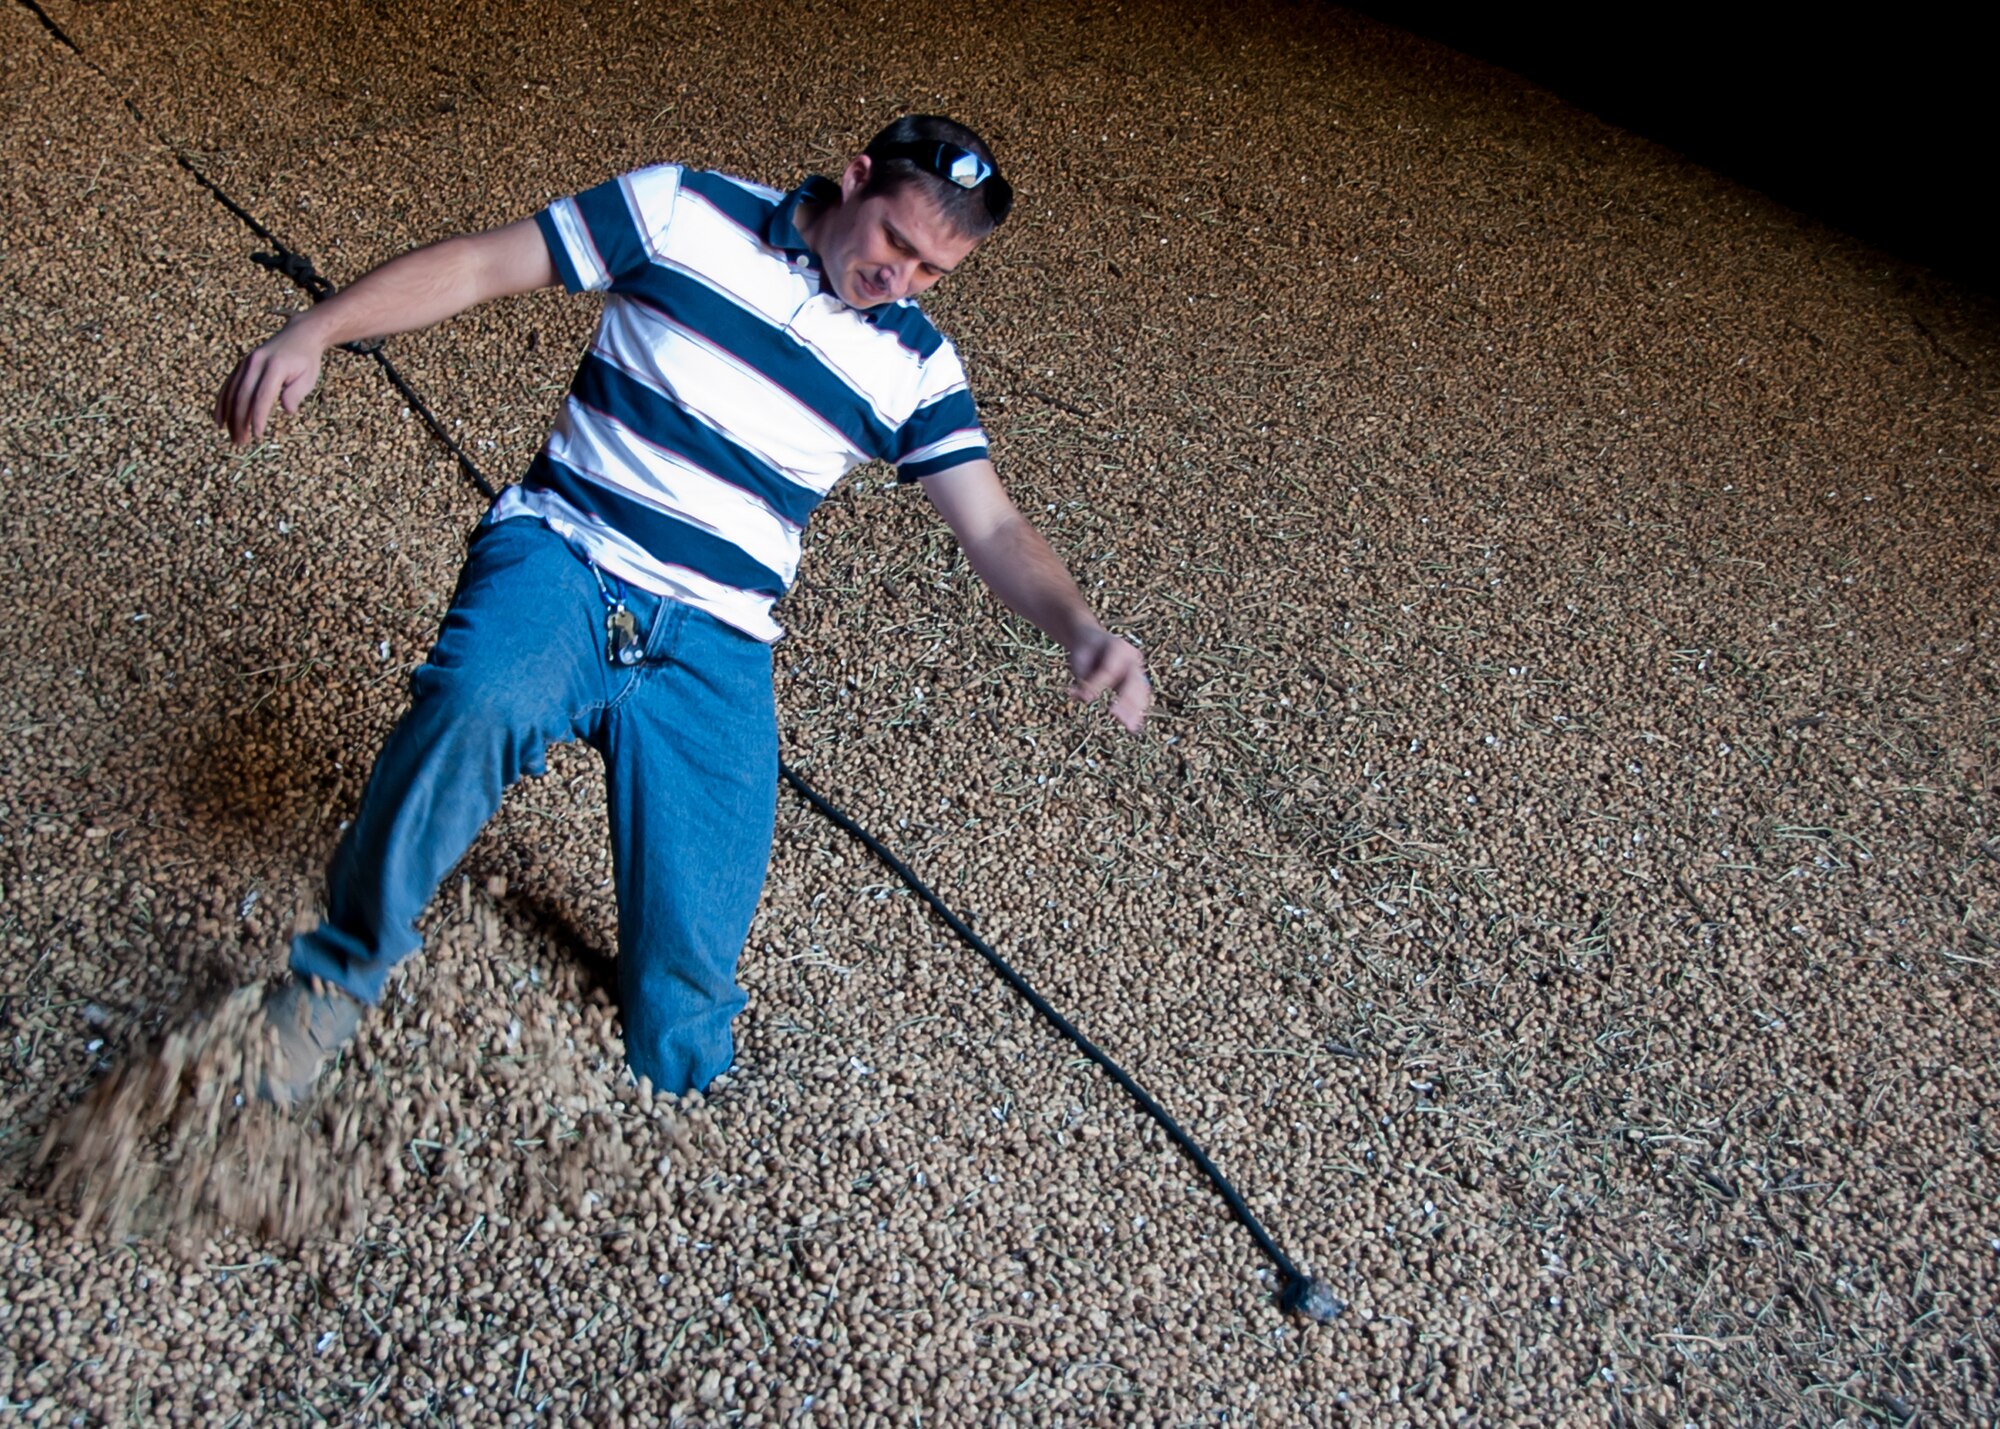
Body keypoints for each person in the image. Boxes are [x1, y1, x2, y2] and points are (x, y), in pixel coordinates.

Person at [213, 115, 1151, 1104]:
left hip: (716, 640)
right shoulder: (680, 209)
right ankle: (333, 978)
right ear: (854, 177)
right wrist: (317, 327)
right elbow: (484, 265)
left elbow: (992, 526)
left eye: (931, 271)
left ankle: (673, 1081)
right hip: (567, 557)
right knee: (478, 701)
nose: (900, 280)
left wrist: (1080, 625)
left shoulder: (915, 366)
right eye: (893, 242)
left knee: (689, 997)